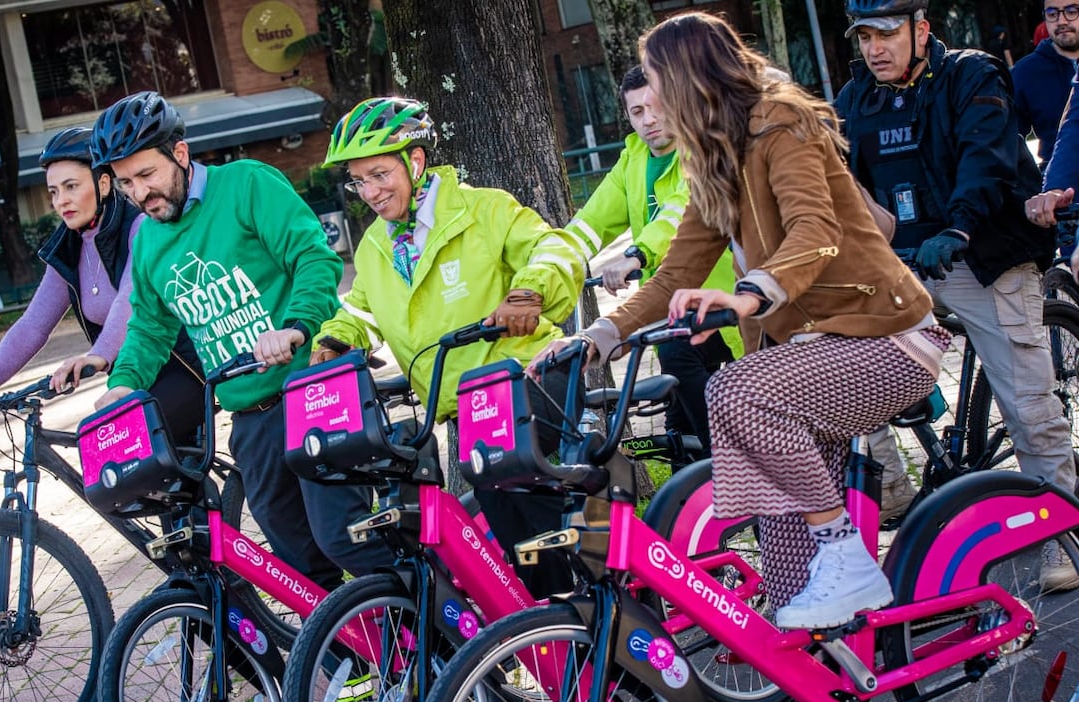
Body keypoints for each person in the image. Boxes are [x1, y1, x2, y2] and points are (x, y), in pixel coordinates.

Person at [534, 12, 949, 629]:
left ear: (688, 80)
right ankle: (820, 645)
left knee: (735, 389)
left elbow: (816, 227)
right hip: (813, 355)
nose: (647, 105)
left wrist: (752, 292)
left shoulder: (780, 122)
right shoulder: (714, 159)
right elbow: (674, 275)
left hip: (887, 337)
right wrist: (599, 337)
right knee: (775, 519)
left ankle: (845, 555)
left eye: (656, 85)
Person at [90, 91, 392, 590]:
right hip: (250, 415)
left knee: (344, 537)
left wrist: (295, 326)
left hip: (312, 385)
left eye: (147, 175)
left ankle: (445, 650)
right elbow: (149, 326)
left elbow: (314, 259)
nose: (140, 193)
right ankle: (359, 663)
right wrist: (124, 385)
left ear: (180, 155)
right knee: (298, 565)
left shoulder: (248, 184)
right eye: (125, 184)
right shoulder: (145, 238)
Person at [836, 0, 1078, 592]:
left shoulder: (972, 74)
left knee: (1027, 404)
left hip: (982, 255)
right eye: (864, 36)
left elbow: (985, 159)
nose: (874, 49)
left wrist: (959, 227)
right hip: (901, 267)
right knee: (843, 368)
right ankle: (889, 487)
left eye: (887, 34)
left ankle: (1063, 534)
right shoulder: (855, 99)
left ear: (921, 29)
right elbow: (840, 178)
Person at [310, 96, 587, 597]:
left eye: (379, 175)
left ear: (414, 162)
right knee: (518, 544)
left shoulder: (484, 209)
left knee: (545, 538)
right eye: (359, 181)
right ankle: (563, 639)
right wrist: (335, 339)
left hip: (526, 380)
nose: (369, 192)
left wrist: (530, 291)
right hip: (467, 409)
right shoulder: (377, 245)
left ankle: (603, 633)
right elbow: (361, 310)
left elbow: (554, 246)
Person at [0, 127, 206, 445]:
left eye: (71, 186)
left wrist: (96, 355)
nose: (61, 201)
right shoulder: (69, 248)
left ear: (103, 183)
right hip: (128, 377)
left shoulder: (139, 228)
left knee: (118, 447)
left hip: (183, 367)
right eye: (54, 192)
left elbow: (130, 300)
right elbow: (33, 325)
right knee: (117, 466)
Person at [565, 66, 740, 457]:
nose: (649, 119)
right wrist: (549, 268)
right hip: (669, 306)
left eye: (655, 106)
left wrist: (636, 254)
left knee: (676, 358)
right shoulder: (633, 161)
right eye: (637, 111)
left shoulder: (700, 152)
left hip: (719, 303)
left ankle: (732, 463)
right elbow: (589, 222)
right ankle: (691, 498)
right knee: (678, 426)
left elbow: (680, 212)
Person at [1013, 0, 1079, 169]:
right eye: (1052, 14)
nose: (1062, 21)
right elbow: (1008, 143)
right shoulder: (1025, 73)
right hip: (1060, 186)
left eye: (1071, 11)